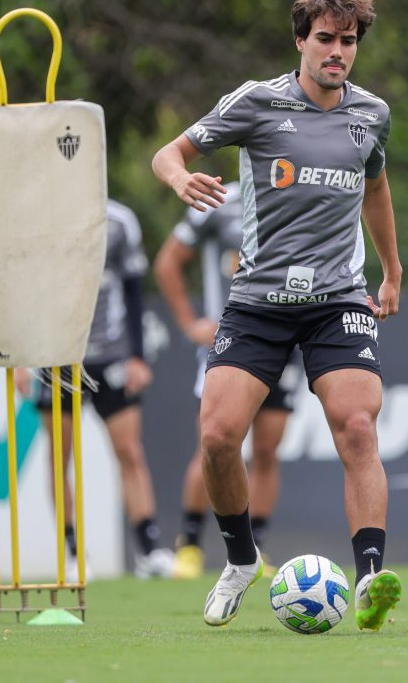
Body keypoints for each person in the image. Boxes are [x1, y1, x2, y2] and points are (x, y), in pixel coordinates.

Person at [150, 0, 403, 630]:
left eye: (349, 42)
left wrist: (393, 270)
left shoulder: (371, 114)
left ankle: (372, 576)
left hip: (338, 300)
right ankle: (238, 559)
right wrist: (179, 179)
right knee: (216, 436)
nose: (338, 53)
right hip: (259, 299)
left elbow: (376, 191)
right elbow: (166, 153)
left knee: (356, 425)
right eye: (326, 38)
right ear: (301, 41)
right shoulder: (257, 103)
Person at [16, 199, 174, 580]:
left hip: (112, 354)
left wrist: (138, 356)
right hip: (56, 356)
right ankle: (73, 554)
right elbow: (23, 289)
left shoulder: (120, 220)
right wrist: (21, 355)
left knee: (129, 451)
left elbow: (135, 289)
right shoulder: (39, 216)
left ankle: (150, 551)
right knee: (60, 456)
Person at [154, 181, 299, 579]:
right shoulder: (221, 202)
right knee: (215, 441)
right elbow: (167, 261)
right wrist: (189, 324)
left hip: (286, 338)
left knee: (267, 449)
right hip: (232, 339)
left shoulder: (300, 190)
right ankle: (190, 546)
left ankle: (258, 548)